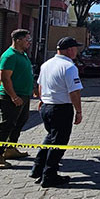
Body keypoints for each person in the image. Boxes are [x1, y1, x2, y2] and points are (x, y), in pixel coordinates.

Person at [30, 37, 84, 188]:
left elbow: (40, 85)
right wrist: (78, 111)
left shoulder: (47, 64)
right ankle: (49, 175)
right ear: (69, 50)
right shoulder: (69, 67)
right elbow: (74, 92)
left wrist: (42, 99)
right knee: (59, 142)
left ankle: (37, 168)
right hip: (61, 108)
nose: (76, 51)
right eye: (75, 48)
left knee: (50, 138)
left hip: (47, 106)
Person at [0, 29, 34, 169]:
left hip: (24, 95)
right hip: (10, 97)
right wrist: (13, 96)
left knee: (20, 122)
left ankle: (10, 149)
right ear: (18, 40)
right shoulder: (9, 56)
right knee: (6, 125)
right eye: (27, 40)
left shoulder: (23, 54)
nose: (29, 42)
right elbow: (5, 78)